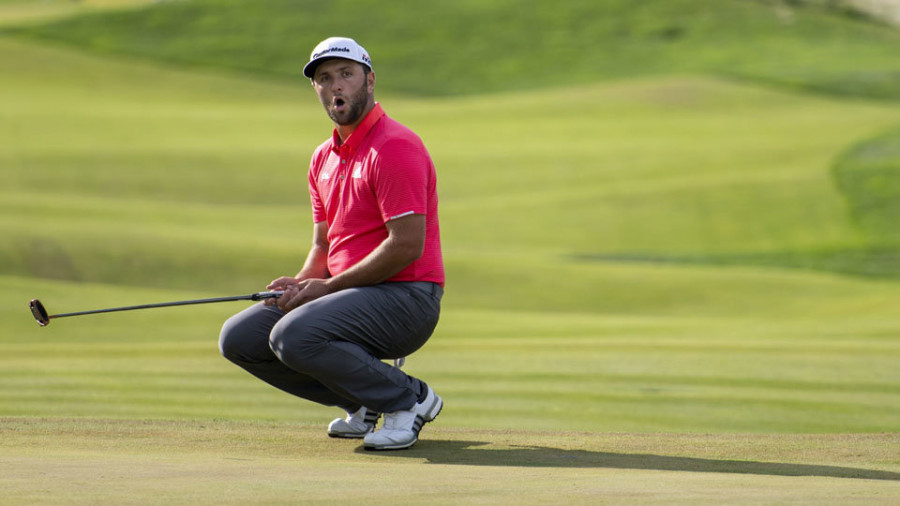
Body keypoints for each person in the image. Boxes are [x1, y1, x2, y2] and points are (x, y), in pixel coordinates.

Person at [218, 37, 445, 451]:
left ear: (369, 80)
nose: (335, 85)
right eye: (325, 78)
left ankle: (408, 400)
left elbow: (406, 245)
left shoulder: (394, 146)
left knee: (294, 334)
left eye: (346, 74)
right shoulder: (323, 157)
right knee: (239, 337)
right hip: (347, 297)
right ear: (316, 90)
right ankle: (363, 404)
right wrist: (302, 283)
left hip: (407, 297)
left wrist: (325, 290)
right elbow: (324, 246)